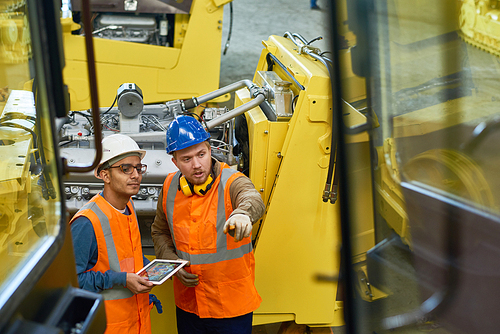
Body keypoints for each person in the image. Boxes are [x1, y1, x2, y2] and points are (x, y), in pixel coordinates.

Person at [151, 115, 265, 334]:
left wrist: (243, 214)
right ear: (174, 162)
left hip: (231, 308)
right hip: (189, 306)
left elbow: (252, 198)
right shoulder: (169, 187)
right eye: (186, 159)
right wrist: (173, 264)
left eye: (201, 154)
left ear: (210, 150)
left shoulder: (232, 181)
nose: (196, 165)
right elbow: (160, 231)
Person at [70, 134, 160, 334]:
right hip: (108, 327)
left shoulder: (129, 206)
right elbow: (72, 282)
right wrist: (120, 279)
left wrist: (154, 269)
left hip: (137, 321)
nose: (135, 175)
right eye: (125, 169)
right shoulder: (87, 221)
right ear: (105, 175)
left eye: (138, 168)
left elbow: (127, 258)